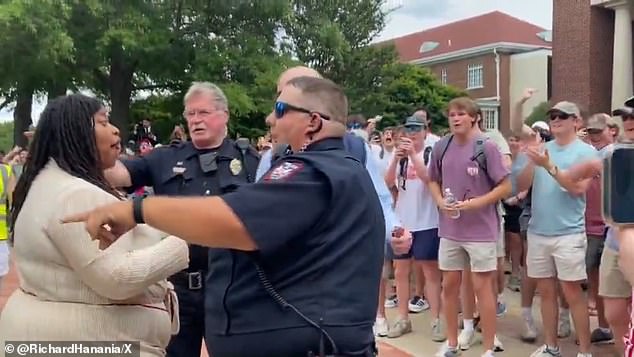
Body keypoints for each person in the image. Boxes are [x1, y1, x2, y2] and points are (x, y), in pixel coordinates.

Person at [65, 76, 385, 357]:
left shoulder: (312, 172)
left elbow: (234, 219)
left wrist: (136, 210)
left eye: (282, 110)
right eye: (190, 114)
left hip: (313, 342)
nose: (270, 119)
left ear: (314, 122)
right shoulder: (330, 168)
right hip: (192, 295)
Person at [0, 94, 188, 356]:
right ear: (76, 133)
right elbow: (117, 278)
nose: (115, 129)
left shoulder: (49, 183)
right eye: (102, 122)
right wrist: (182, 241)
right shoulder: (74, 194)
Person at [104, 82, 260, 357]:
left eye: (203, 112)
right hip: (178, 288)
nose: (196, 120)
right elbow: (117, 175)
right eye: (190, 114)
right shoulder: (166, 158)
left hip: (231, 289)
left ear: (224, 115)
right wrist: (87, 142)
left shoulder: (249, 161)